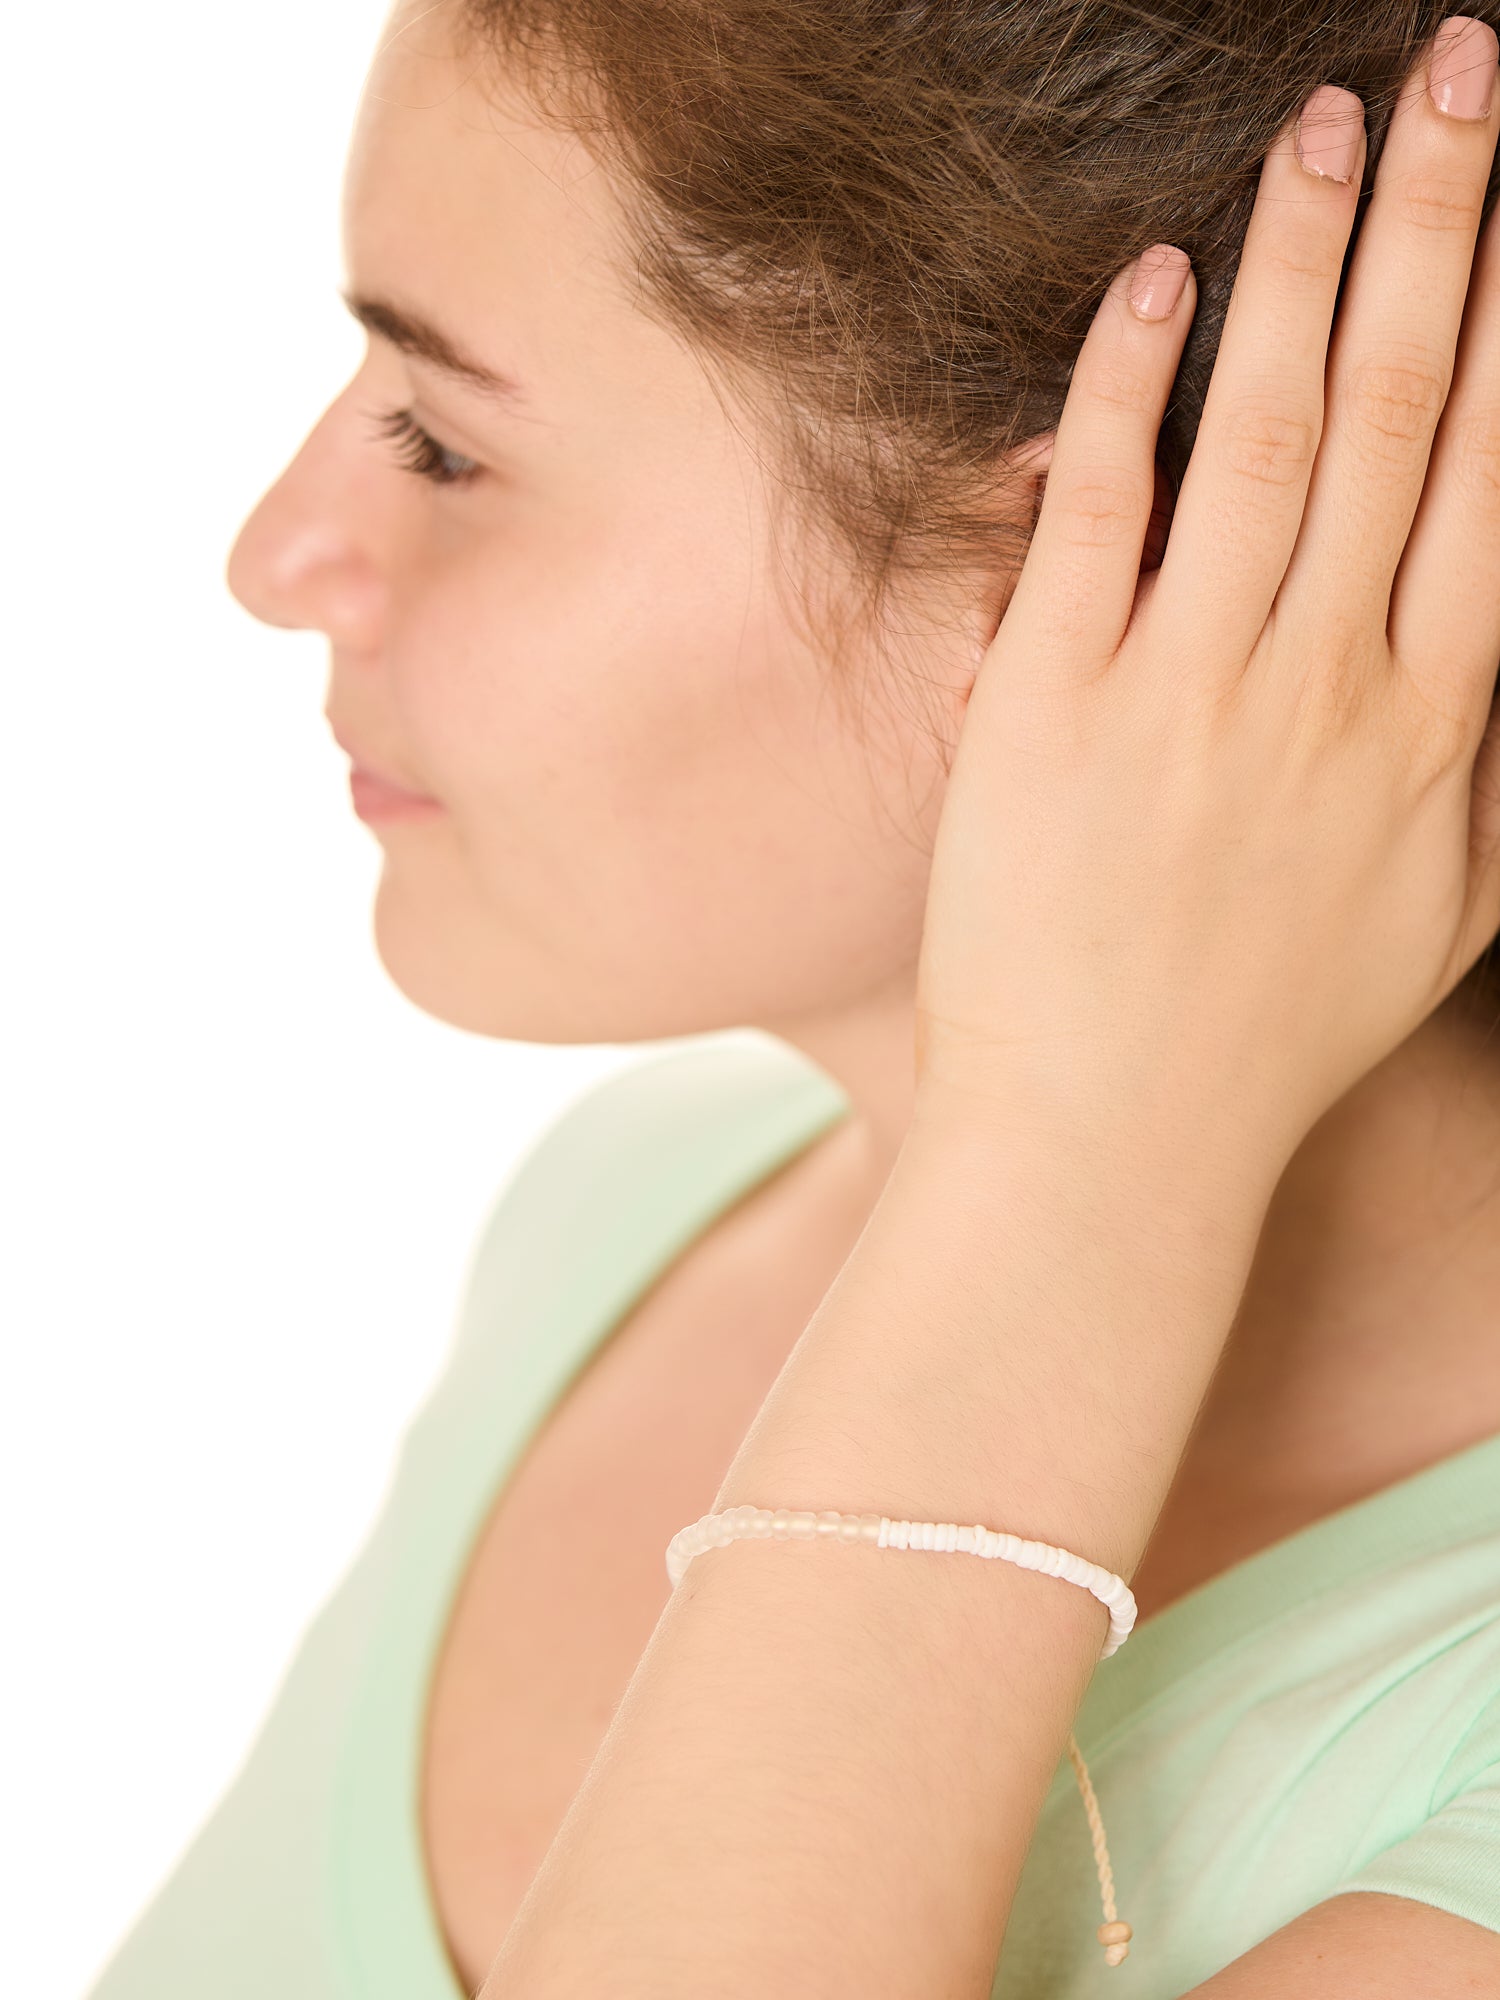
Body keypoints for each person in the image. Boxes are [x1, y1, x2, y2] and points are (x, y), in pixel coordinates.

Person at [88, 1, 1500, 1995]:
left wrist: (1079, 1168)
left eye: (444, 440)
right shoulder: (640, 1213)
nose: (277, 556)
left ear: (1126, 572)